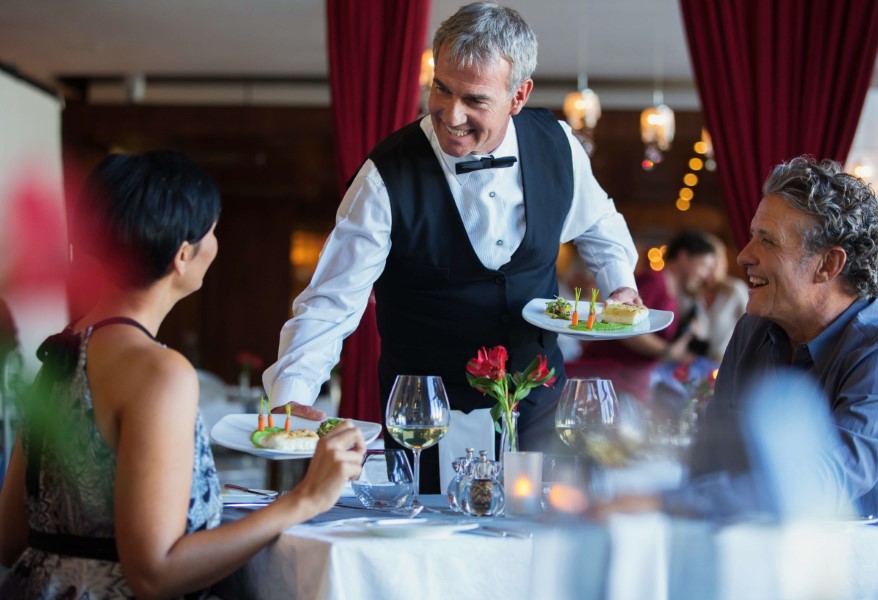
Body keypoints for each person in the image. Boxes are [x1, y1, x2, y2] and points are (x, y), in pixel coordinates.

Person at [262, 2, 640, 491]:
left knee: (540, 541)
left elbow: (599, 222)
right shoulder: (385, 176)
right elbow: (332, 300)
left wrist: (621, 287)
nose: (451, 114)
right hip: (424, 417)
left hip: (539, 403)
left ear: (518, 95)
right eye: (441, 88)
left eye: (475, 100)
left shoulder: (558, 145)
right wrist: (291, 395)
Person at [0, 151, 366, 598]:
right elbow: (154, 575)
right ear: (183, 255)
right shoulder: (159, 372)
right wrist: (306, 498)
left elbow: (10, 538)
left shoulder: (62, 352)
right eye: (212, 229)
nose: (217, 242)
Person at [596, 156, 878, 590]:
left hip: (873, 582)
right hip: (770, 567)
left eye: (768, 242)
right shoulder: (754, 329)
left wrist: (665, 502)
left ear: (828, 265)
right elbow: (711, 456)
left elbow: (819, 486)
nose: (744, 255)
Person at [578, 230, 716, 404]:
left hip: (632, 379)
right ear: (683, 256)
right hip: (611, 376)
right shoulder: (653, 280)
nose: (706, 275)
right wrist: (667, 351)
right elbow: (626, 326)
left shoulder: (671, 291)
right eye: (704, 265)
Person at [682, 233, 748, 364]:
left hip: (729, 363)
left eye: (714, 264)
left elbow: (751, 330)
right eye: (705, 264)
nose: (709, 271)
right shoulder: (693, 293)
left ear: (722, 262)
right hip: (696, 363)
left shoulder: (735, 290)